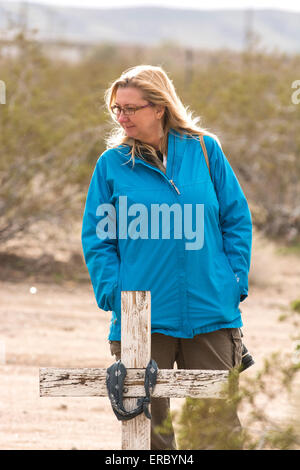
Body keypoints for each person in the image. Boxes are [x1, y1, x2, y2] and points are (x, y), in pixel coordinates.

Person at [81, 65, 252, 450]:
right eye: (116, 109)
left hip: (211, 311)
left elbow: (235, 219)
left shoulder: (206, 151)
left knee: (218, 426)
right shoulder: (111, 165)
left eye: (130, 108)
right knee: (147, 430)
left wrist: (233, 282)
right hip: (141, 316)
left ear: (159, 107)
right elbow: (98, 239)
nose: (121, 117)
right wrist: (116, 295)